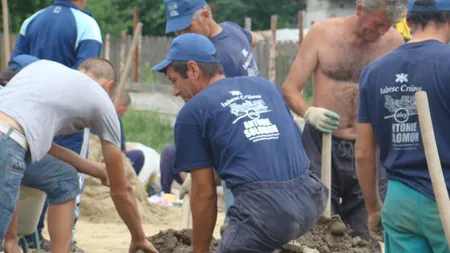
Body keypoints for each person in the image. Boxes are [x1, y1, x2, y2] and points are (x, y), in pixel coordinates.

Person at [151, 33, 327, 253]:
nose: (175, 91)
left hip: (266, 212)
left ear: (193, 69)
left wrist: (200, 250)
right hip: (311, 198)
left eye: (174, 80)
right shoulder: (266, 87)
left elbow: (204, 193)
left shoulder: (193, 112)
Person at [281, 0, 408, 248]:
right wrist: (309, 113)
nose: (383, 31)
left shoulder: (393, 42)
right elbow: (290, 88)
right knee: (318, 225)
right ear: (360, 10)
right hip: (322, 144)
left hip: (369, 147)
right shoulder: (322, 34)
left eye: (388, 26)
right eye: (379, 23)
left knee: (366, 231)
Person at [0, 57, 159, 253]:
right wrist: (138, 237)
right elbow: (121, 190)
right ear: (109, 86)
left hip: (11, 141)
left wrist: (95, 169)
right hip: (7, 144)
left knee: (64, 178)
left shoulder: (43, 69)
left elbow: (39, 143)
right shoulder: (102, 101)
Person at [356, 0, 450, 252]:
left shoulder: (373, 72)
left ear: (408, 23)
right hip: (444, 194)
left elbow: (363, 152)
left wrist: (374, 208)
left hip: (399, 200)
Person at [11, 0, 103, 250]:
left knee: (24, 176)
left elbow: (13, 66)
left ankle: (28, 235)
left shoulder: (32, 20)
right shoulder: (86, 24)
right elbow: (87, 78)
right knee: (67, 177)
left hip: (26, 116)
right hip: (66, 117)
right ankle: (65, 242)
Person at [163, 0, 260, 224]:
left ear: (205, 15)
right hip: (255, 134)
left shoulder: (213, 59)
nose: (181, 36)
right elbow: (253, 38)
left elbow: (206, 117)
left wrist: (199, 166)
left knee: (239, 222)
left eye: (187, 29)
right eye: (177, 31)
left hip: (240, 150)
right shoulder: (232, 30)